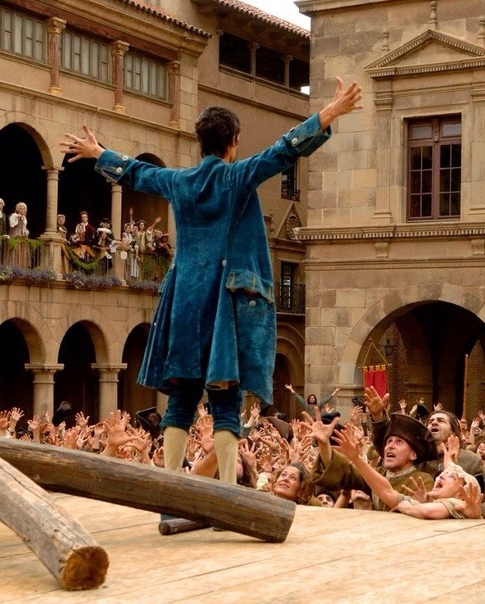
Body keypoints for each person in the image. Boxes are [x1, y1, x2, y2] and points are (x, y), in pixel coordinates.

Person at [60, 77, 363, 485]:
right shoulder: (236, 177)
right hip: (223, 304)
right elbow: (283, 150)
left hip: (183, 301)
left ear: (199, 142)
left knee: (181, 399)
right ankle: (226, 489)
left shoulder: (180, 181)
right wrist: (328, 113)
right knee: (225, 401)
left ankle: (170, 484)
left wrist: (99, 153)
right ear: (233, 141)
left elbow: (137, 173)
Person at [333, 424, 483, 519]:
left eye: (398, 442)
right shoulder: (430, 501)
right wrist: (356, 459)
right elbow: (387, 492)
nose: (441, 476)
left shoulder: (457, 503)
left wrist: (409, 508)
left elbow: (427, 511)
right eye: (388, 442)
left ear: (461, 494)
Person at [309, 411, 437, 511]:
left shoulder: (423, 479)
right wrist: (324, 444)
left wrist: (357, 458)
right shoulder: (379, 472)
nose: (390, 446)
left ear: (413, 455)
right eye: (388, 441)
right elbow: (344, 473)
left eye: (399, 442)